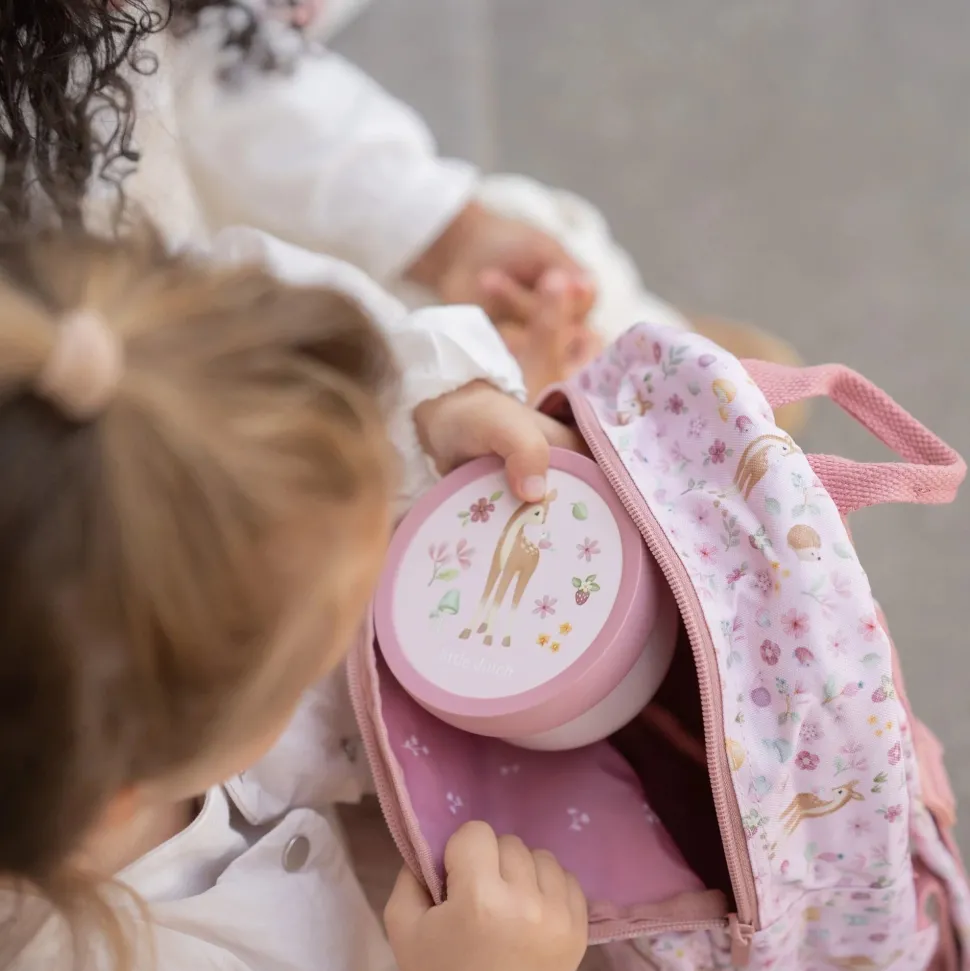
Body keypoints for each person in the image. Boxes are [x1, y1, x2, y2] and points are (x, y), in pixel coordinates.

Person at [0, 226, 588, 971]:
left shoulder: (78, 360)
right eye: (325, 626)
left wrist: (432, 399)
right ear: (121, 792)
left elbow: (230, 275)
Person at [0, 0, 805, 420]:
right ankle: (635, 389)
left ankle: (637, 347)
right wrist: (444, 405)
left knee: (539, 250)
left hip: (194, 285)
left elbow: (202, 53)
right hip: (191, 405)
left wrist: (440, 227)